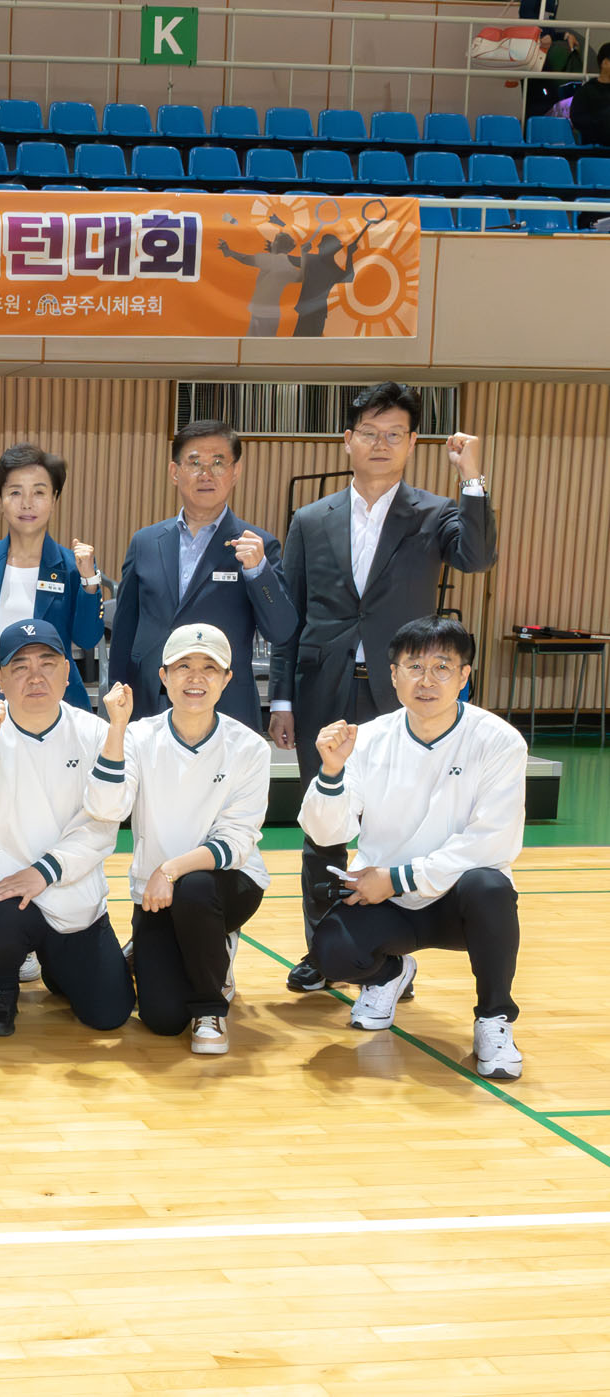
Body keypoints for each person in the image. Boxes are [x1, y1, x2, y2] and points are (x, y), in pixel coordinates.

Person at [270, 381, 496, 991]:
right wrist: (283, 699)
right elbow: (290, 617)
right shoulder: (311, 519)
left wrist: (470, 477)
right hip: (324, 690)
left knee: (391, 827)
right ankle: (324, 950)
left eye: (394, 434)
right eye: (369, 432)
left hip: (402, 697)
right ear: (347, 439)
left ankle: (389, 952)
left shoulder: (434, 513)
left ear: (413, 443)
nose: (381, 443)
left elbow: (476, 557)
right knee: (322, 826)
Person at [300, 618, 528, 1081]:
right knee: (331, 953)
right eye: (414, 667)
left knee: (490, 886)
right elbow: (326, 832)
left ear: (464, 677)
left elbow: (493, 840)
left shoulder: (499, 740)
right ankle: (389, 974)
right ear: (393, 675)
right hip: (387, 901)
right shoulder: (368, 739)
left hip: (458, 903)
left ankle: (494, 1018)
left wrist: (399, 878)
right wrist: (331, 771)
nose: (427, 681)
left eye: (442, 667)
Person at [0, 619, 134, 1038]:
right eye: (20, 667)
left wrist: (44, 871)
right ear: (0, 679)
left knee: (110, 1013)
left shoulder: (97, 733)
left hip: (72, 891)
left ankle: (59, 967)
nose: (35, 676)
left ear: (67, 673)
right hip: (1, 891)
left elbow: (105, 821)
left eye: (47, 663)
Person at [109, 624, 271, 1055]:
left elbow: (236, 839)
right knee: (162, 1019)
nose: (195, 678)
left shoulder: (250, 748)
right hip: (156, 895)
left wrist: (171, 869)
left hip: (227, 885)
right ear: (164, 676)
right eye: (183, 666)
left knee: (196, 888)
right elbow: (111, 808)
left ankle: (210, 1007)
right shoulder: (138, 737)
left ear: (227, 679)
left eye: (209, 668)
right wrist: (116, 730)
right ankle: (195, 949)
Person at [107, 419, 296, 733]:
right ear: (175, 472)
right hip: (150, 701)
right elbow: (125, 631)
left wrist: (258, 571)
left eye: (218, 463)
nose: (206, 474)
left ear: (236, 472)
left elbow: (281, 630)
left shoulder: (257, 545)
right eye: (194, 463)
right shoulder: (145, 542)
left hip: (225, 706)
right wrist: (117, 699)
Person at [0, 444, 103, 740]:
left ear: (54, 498)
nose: (27, 504)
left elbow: (87, 638)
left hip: (53, 700)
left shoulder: (72, 565)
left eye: (39, 492)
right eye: (15, 492)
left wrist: (89, 579)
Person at [215, 231, 300, 337]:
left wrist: (229, 252)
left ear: (278, 245)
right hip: (268, 313)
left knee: (258, 342)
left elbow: (244, 258)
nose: (272, 242)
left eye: (275, 240)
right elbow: (299, 277)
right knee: (261, 342)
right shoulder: (287, 265)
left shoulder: (269, 259)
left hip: (262, 313)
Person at [569, 45, 610, 146]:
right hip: (595, 146)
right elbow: (577, 119)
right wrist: (602, 122)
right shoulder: (586, 91)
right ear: (605, 63)